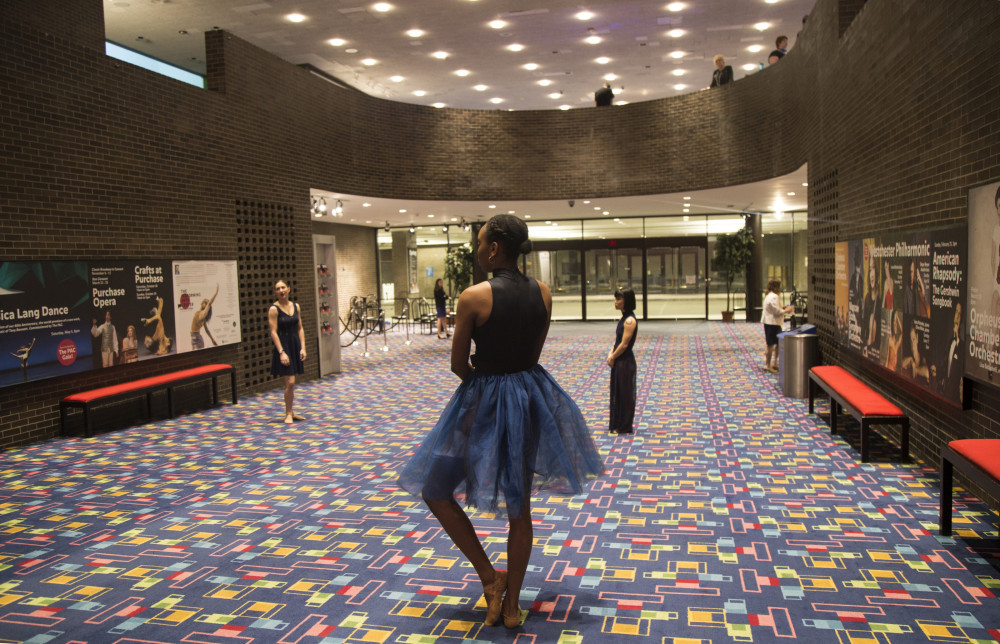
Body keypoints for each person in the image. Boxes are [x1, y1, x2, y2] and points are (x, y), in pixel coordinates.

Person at [397, 214, 603, 629]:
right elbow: (535, 352)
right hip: (531, 395)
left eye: (479, 243)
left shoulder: (473, 296)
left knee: (436, 489)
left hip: (483, 397)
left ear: (493, 249)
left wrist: (486, 387)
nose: (477, 250)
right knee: (519, 507)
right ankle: (511, 607)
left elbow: (458, 364)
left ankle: (491, 579)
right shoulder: (543, 293)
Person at [269, 279, 307, 424]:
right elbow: (273, 332)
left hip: (295, 344)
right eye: (278, 289)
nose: (281, 291)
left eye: (283, 287)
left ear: (289, 289)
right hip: (283, 345)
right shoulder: (274, 309)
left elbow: (300, 328)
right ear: (275, 292)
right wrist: (281, 352)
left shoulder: (296, 306)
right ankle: (288, 413)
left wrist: (303, 347)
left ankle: (291, 410)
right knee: (290, 382)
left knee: (293, 381)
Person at [607, 287, 638, 434]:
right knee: (617, 393)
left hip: (625, 362)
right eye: (616, 298)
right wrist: (610, 353)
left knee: (625, 395)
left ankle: (624, 426)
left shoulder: (630, 321)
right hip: (619, 361)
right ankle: (617, 423)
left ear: (627, 301)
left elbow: (625, 344)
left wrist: (613, 356)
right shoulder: (623, 318)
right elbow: (617, 340)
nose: (616, 302)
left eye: (619, 299)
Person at [761, 280, 793, 373]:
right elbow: (777, 312)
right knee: (771, 345)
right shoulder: (774, 297)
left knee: (776, 344)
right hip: (773, 323)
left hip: (770, 322)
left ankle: (774, 363)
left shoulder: (768, 295)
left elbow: (774, 308)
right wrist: (788, 310)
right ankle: (768, 365)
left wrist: (783, 307)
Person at [191, 284, 219, 349]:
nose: (204, 300)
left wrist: (216, 293)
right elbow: (207, 330)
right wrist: (212, 339)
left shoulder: (202, 314)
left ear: (206, 306)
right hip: (194, 337)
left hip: (196, 338)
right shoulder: (200, 315)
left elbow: (209, 303)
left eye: (206, 302)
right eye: (204, 300)